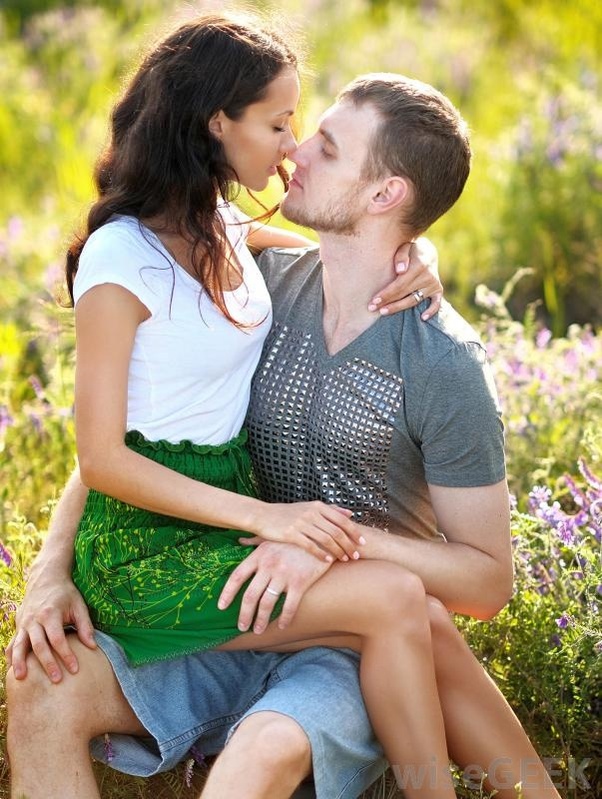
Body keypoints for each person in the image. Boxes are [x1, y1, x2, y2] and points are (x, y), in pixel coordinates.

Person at [5, 16, 561, 799]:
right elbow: (123, 441)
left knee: (390, 631)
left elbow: (485, 584)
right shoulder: (236, 283)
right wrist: (47, 566)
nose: (295, 148)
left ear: (384, 193)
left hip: (325, 615)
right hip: (222, 569)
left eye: (322, 144)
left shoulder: (428, 352)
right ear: (215, 124)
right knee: (39, 685)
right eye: (287, 125)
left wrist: (327, 541)